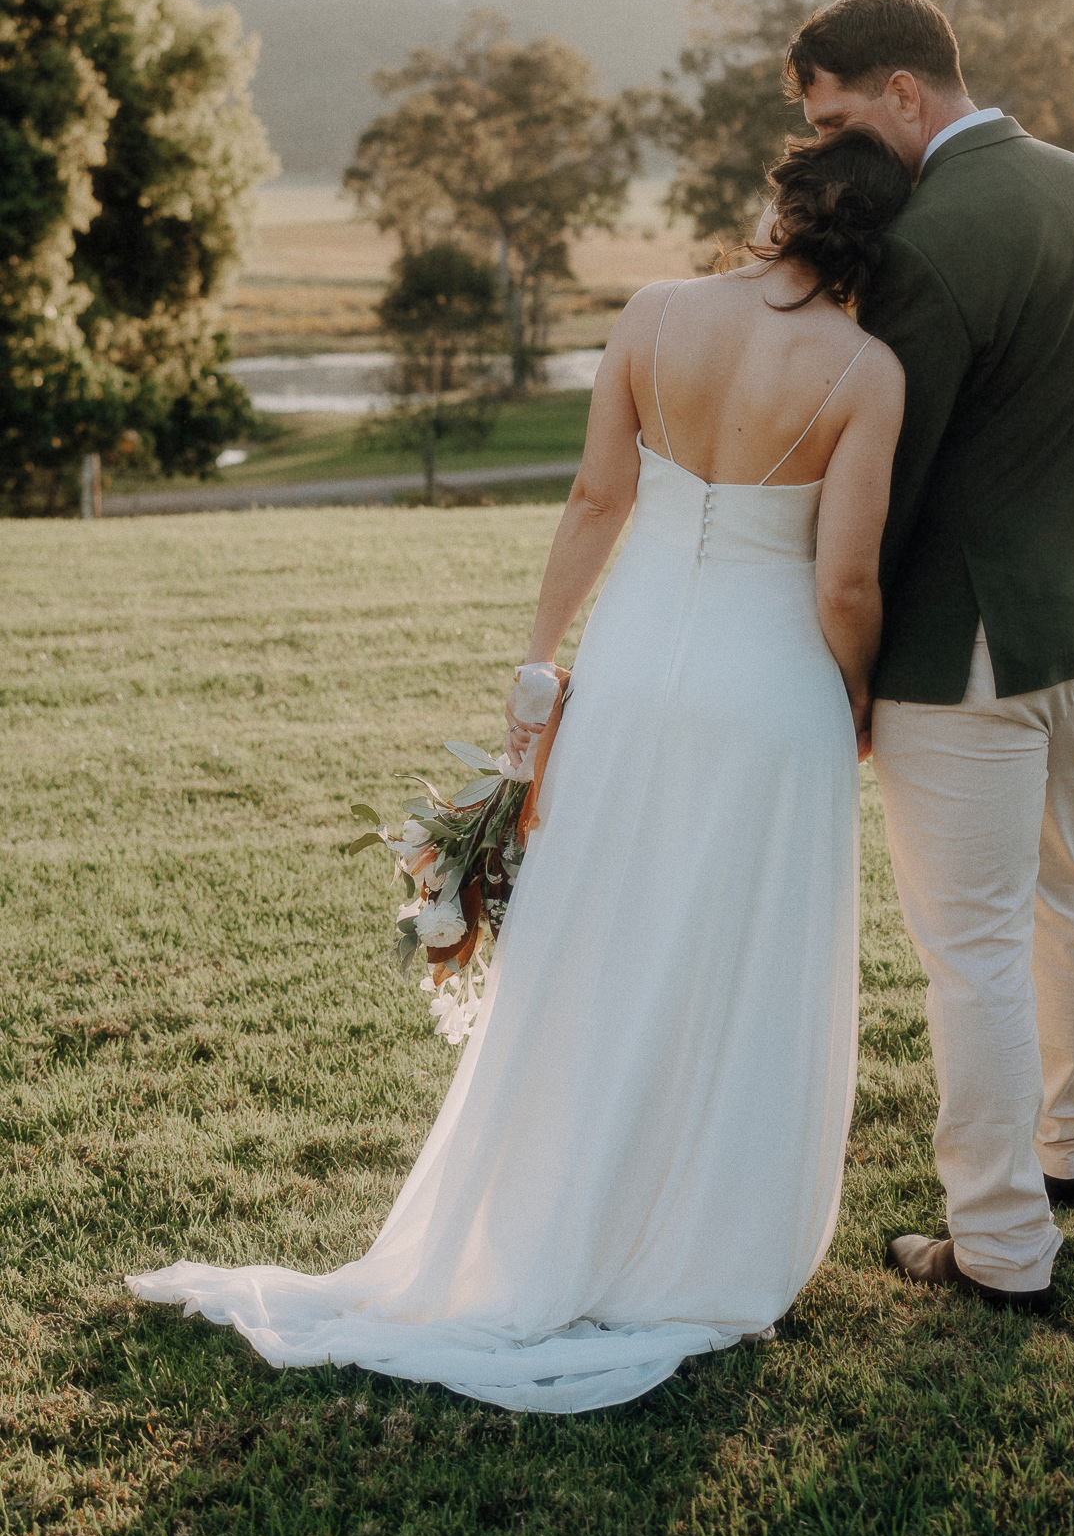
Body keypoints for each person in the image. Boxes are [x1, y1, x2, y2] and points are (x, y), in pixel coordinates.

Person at [129, 127, 909, 1415]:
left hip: (634, 672)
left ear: (775, 209)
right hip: (772, 700)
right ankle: (695, 1236)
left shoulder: (657, 314)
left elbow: (598, 500)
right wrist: (861, 697)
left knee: (594, 949)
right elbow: (844, 578)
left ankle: (556, 1214)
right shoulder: (868, 371)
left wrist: (541, 663)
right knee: (736, 959)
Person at [789, 0, 1074, 1314]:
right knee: (1060, 890)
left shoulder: (929, 243)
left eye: (842, 118)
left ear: (905, 92)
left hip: (964, 652)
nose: (839, 148)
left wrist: (851, 670)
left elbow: (883, 491)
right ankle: (1066, 1145)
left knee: (971, 949)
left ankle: (1003, 1240)